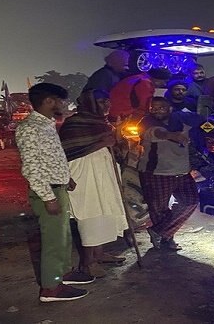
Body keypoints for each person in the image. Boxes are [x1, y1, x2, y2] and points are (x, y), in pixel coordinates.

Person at [16, 83, 94, 303]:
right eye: (59, 101)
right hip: (47, 191)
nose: (62, 105)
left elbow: (51, 158)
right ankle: (51, 288)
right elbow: (31, 168)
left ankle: (63, 274)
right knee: (53, 239)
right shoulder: (30, 128)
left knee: (63, 236)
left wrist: (65, 178)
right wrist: (48, 197)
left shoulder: (46, 125)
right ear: (49, 101)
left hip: (56, 186)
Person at [58, 89, 129, 278]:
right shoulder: (74, 123)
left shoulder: (103, 123)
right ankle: (87, 264)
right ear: (89, 103)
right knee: (91, 215)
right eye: (101, 101)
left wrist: (118, 134)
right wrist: (101, 143)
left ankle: (100, 254)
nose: (107, 105)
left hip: (104, 172)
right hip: (84, 175)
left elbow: (116, 147)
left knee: (105, 211)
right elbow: (67, 151)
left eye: (108, 101)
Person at [137, 97, 199, 251]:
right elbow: (155, 133)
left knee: (190, 201)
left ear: (170, 108)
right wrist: (172, 135)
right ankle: (167, 240)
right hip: (157, 171)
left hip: (182, 171)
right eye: (154, 107)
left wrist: (212, 126)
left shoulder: (182, 121)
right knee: (159, 209)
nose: (157, 110)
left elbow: (201, 124)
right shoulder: (146, 122)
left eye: (162, 107)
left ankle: (158, 232)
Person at [108, 68, 172, 122]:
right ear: (157, 79)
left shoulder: (137, 78)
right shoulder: (145, 83)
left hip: (113, 111)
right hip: (121, 114)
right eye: (164, 81)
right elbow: (144, 105)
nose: (164, 84)